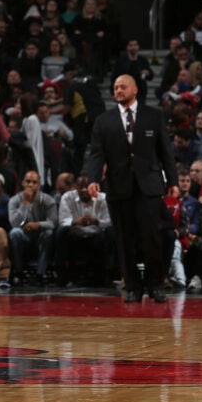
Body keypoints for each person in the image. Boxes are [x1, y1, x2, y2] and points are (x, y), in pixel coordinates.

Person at [87, 74, 178, 303]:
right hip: (118, 185)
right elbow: (97, 154)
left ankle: (155, 285)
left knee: (152, 238)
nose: (118, 91)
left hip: (149, 185)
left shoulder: (153, 116)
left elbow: (166, 152)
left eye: (123, 87)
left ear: (135, 89)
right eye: (115, 87)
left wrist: (173, 182)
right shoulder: (103, 120)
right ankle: (133, 286)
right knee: (124, 239)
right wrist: (93, 178)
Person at [7, 170, 57, 285]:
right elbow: (15, 223)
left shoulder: (48, 200)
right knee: (15, 232)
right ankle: (18, 272)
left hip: (41, 236)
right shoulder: (14, 200)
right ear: (23, 183)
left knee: (49, 233)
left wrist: (38, 225)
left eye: (34, 182)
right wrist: (24, 203)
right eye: (28, 181)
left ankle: (41, 273)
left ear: (39, 185)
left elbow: (53, 223)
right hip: (24, 236)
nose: (30, 185)